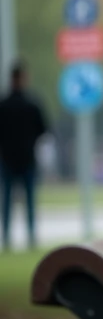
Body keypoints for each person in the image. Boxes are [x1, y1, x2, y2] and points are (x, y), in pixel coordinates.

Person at [0, 62, 48, 251]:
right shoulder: (32, 104)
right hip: (27, 158)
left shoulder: (3, 106)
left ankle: (6, 238)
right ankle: (31, 236)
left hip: (7, 159)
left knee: (8, 199)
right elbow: (43, 130)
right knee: (29, 200)